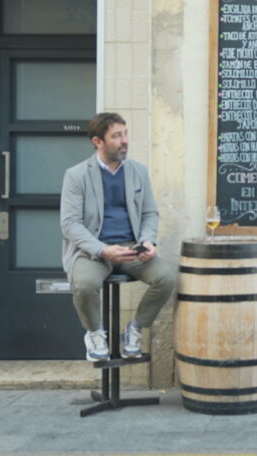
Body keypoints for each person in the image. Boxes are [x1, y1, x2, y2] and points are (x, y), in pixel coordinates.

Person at [60, 112, 177, 362]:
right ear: (97, 142)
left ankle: (134, 329)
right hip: (93, 251)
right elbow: (70, 224)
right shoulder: (76, 175)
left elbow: (149, 212)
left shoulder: (138, 171)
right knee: (84, 285)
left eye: (125, 134)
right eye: (116, 136)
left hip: (131, 249)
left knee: (166, 278)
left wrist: (147, 241)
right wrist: (102, 250)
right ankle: (94, 333)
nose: (124, 141)